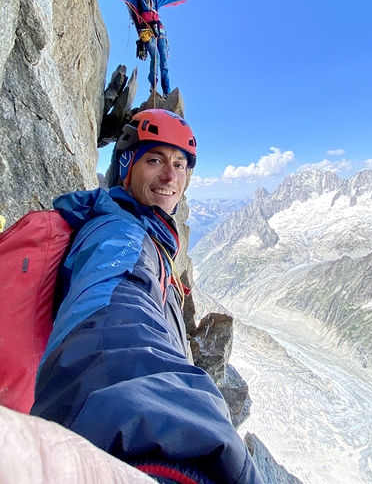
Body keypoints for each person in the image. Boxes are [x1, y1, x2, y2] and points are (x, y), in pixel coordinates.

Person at [30, 109, 263, 484]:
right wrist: (179, 456)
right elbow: (112, 322)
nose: (170, 176)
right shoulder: (120, 233)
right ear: (127, 166)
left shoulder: (148, 231)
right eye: (154, 160)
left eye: (180, 164)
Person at [97, 0, 192, 98]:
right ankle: (153, 85)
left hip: (160, 32)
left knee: (164, 61)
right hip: (147, 32)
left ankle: (166, 93)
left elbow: (172, 0)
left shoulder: (157, 1)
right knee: (156, 57)